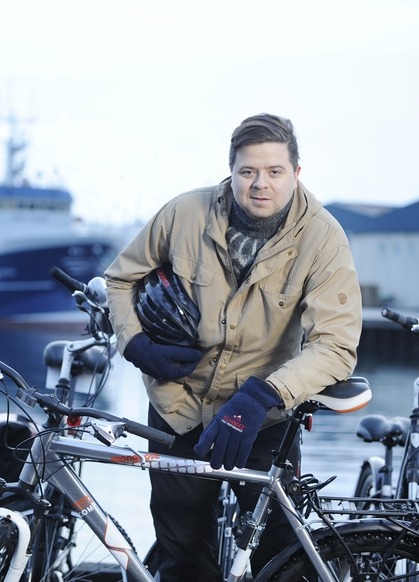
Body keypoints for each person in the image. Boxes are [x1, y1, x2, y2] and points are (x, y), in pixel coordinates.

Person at [104, 113, 362, 581]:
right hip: (177, 406)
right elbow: (120, 279)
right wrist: (136, 345)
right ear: (232, 171)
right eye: (248, 172)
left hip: (261, 418)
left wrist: (262, 395)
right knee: (180, 553)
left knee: (278, 555)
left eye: (274, 172)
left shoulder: (323, 239)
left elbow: (336, 346)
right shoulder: (183, 214)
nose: (260, 184)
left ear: (296, 174)